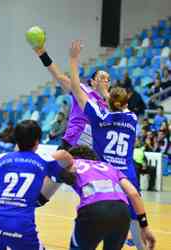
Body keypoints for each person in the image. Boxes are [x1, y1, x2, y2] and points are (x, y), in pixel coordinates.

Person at [69, 40, 145, 249]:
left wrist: (74, 59)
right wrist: (106, 92)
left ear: (109, 101)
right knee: (134, 219)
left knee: (95, 214)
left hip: (106, 175)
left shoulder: (99, 115)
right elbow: (117, 106)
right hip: (127, 175)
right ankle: (140, 245)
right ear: (125, 103)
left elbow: (77, 88)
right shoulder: (132, 118)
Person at [42, 145, 156, 250]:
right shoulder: (110, 167)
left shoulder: (73, 163)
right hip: (122, 212)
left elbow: (62, 154)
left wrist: (40, 162)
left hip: (94, 210)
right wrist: (144, 226)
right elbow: (133, 194)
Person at [0, 120, 73, 250]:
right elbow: (66, 156)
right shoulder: (44, 159)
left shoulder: (1, 158)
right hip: (20, 224)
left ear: (15, 139)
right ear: (37, 141)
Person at [27, 31, 110, 150]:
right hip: (71, 144)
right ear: (92, 82)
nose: (105, 81)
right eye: (102, 78)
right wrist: (41, 52)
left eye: (108, 79)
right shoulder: (81, 90)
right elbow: (59, 76)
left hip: (92, 150)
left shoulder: (109, 104)